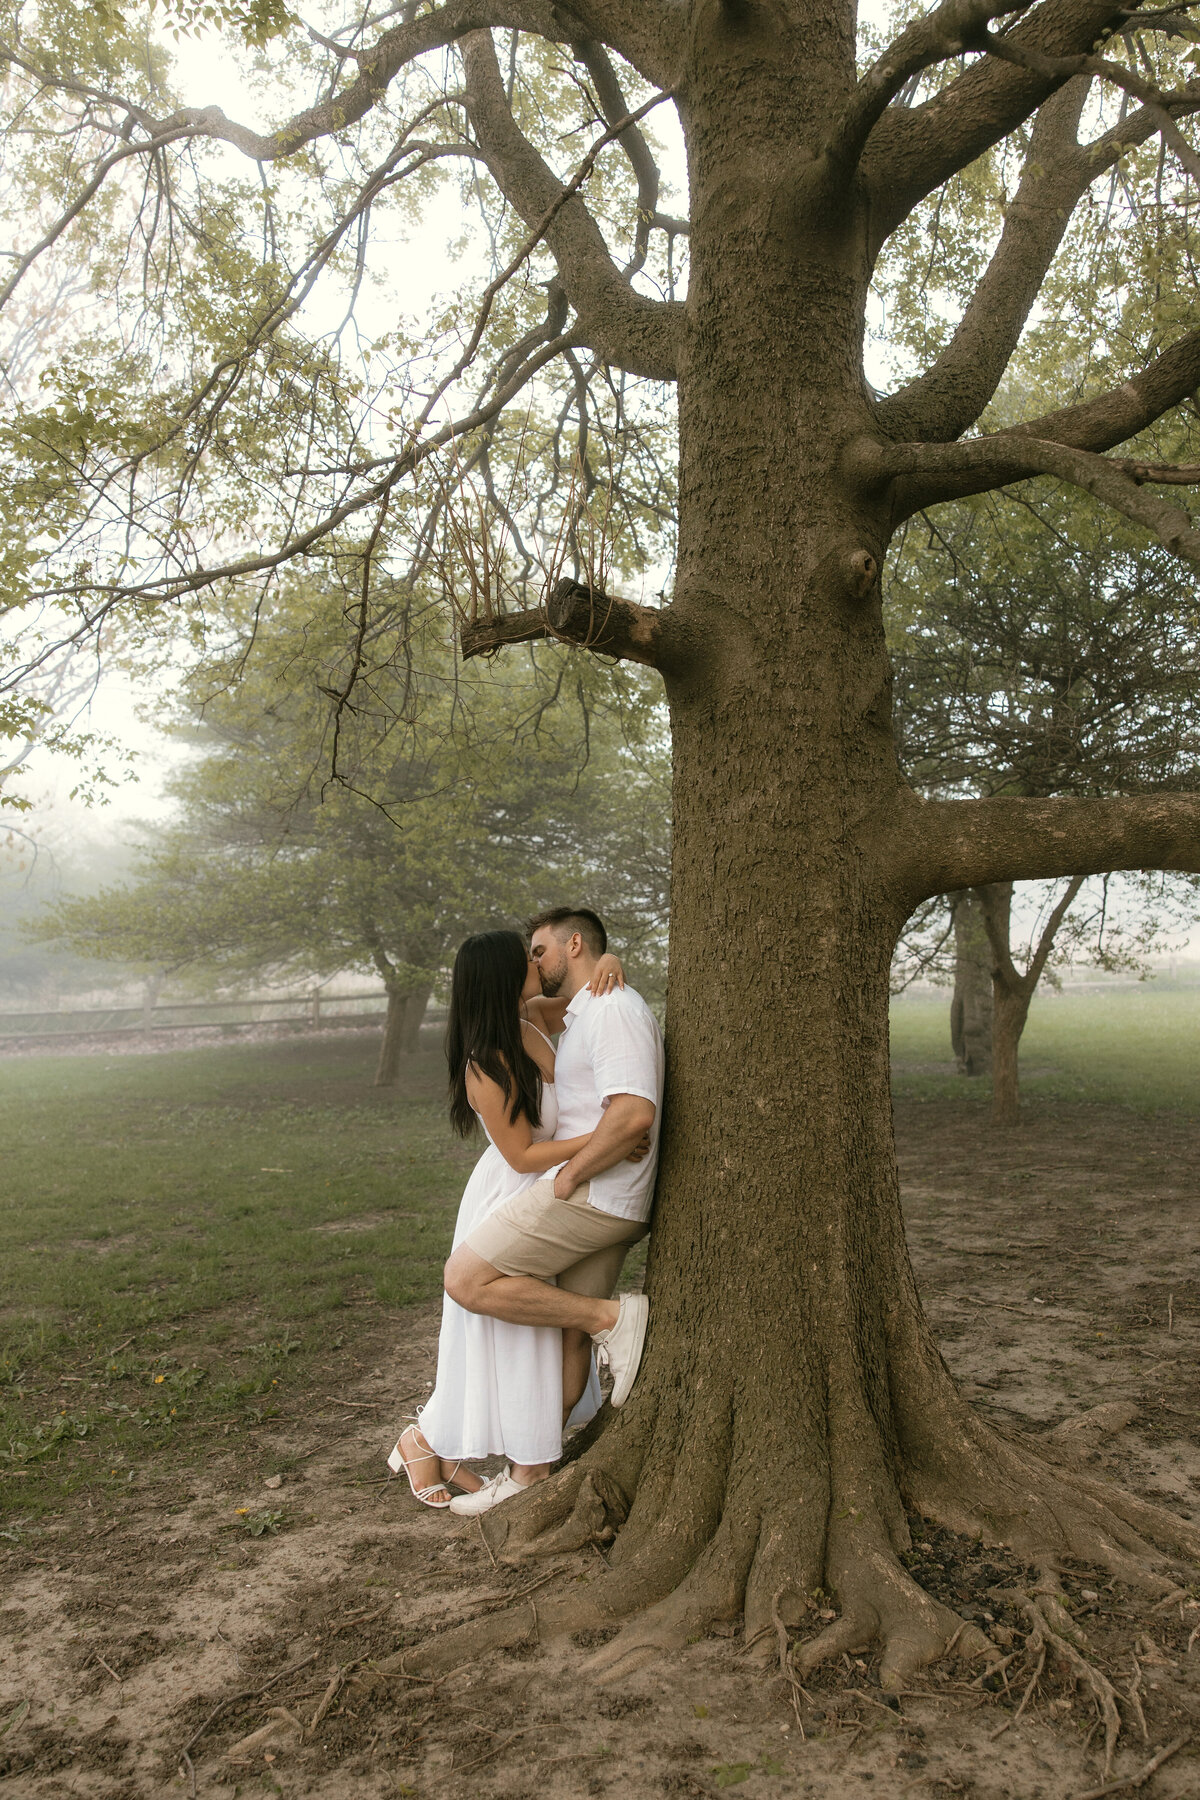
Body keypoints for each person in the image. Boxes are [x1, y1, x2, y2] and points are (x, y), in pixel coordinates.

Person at [388, 926, 644, 1510]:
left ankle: (502, 1457)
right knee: (509, 1335)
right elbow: (522, 1154)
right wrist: (599, 1140)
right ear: (504, 974)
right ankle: (439, 1444)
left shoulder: (532, 1014)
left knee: (548, 1334)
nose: (538, 961)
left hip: (557, 1183)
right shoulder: (486, 1062)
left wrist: (610, 956)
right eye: (526, 958)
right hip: (514, 1188)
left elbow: (584, 988)